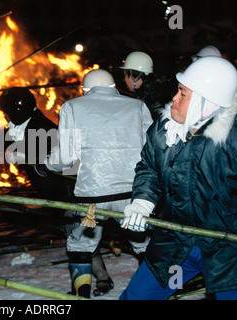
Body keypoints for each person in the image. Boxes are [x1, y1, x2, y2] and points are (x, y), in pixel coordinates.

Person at [119, 56, 237, 300]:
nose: (174, 100)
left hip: (230, 249)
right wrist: (142, 201)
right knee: (138, 297)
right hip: (176, 242)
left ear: (206, 103)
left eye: (183, 93)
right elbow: (149, 167)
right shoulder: (165, 130)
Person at [36, 69, 153, 298]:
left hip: (93, 198)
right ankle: (150, 292)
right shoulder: (137, 106)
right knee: (144, 244)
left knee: (81, 244)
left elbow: (66, 156)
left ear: (85, 90)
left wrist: (45, 165)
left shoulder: (72, 106)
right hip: (133, 194)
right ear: (113, 87)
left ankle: (82, 293)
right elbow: (151, 149)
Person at [120, 51, 175, 120]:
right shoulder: (149, 91)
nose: (124, 80)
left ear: (134, 77)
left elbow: (160, 125)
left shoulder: (157, 93)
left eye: (125, 76)